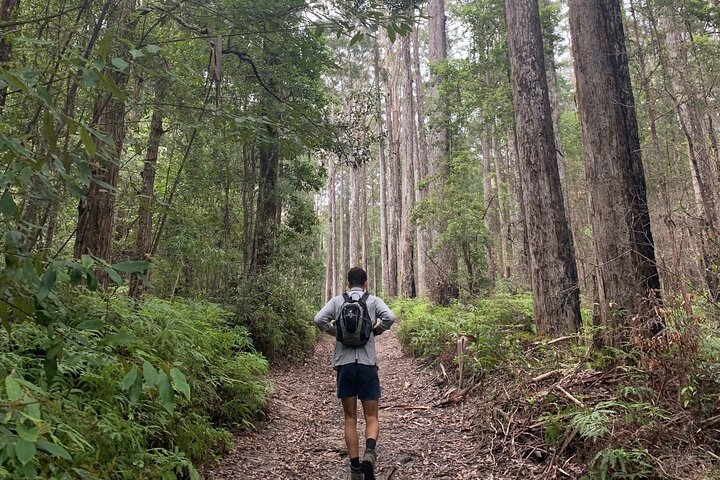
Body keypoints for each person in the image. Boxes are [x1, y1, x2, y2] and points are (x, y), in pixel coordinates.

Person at [314, 267, 396, 480]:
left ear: (348, 283)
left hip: (345, 365)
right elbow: (390, 317)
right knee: (371, 416)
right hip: (367, 364)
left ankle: (355, 470)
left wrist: (337, 333)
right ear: (365, 283)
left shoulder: (338, 300)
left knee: (350, 418)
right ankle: (370, 452)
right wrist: (376, 330)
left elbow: (319, 319)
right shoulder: (373, 300)